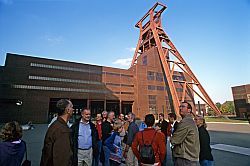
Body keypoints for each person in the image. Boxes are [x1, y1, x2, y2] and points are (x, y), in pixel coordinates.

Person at [40, 99, 74, 166]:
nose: (73, 109)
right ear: (67, 110)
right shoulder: (62, 131)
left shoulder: (55, 124)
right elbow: (61, 159)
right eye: (72, 107)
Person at [170, 101, 200, 166]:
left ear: (189, 110)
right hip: (190, 157)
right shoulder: (190, 121)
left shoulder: (185, 122)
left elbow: (174, 140)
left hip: (185, 158)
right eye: (180, 107)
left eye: (183, 106)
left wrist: (171, 139)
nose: (180, 108)